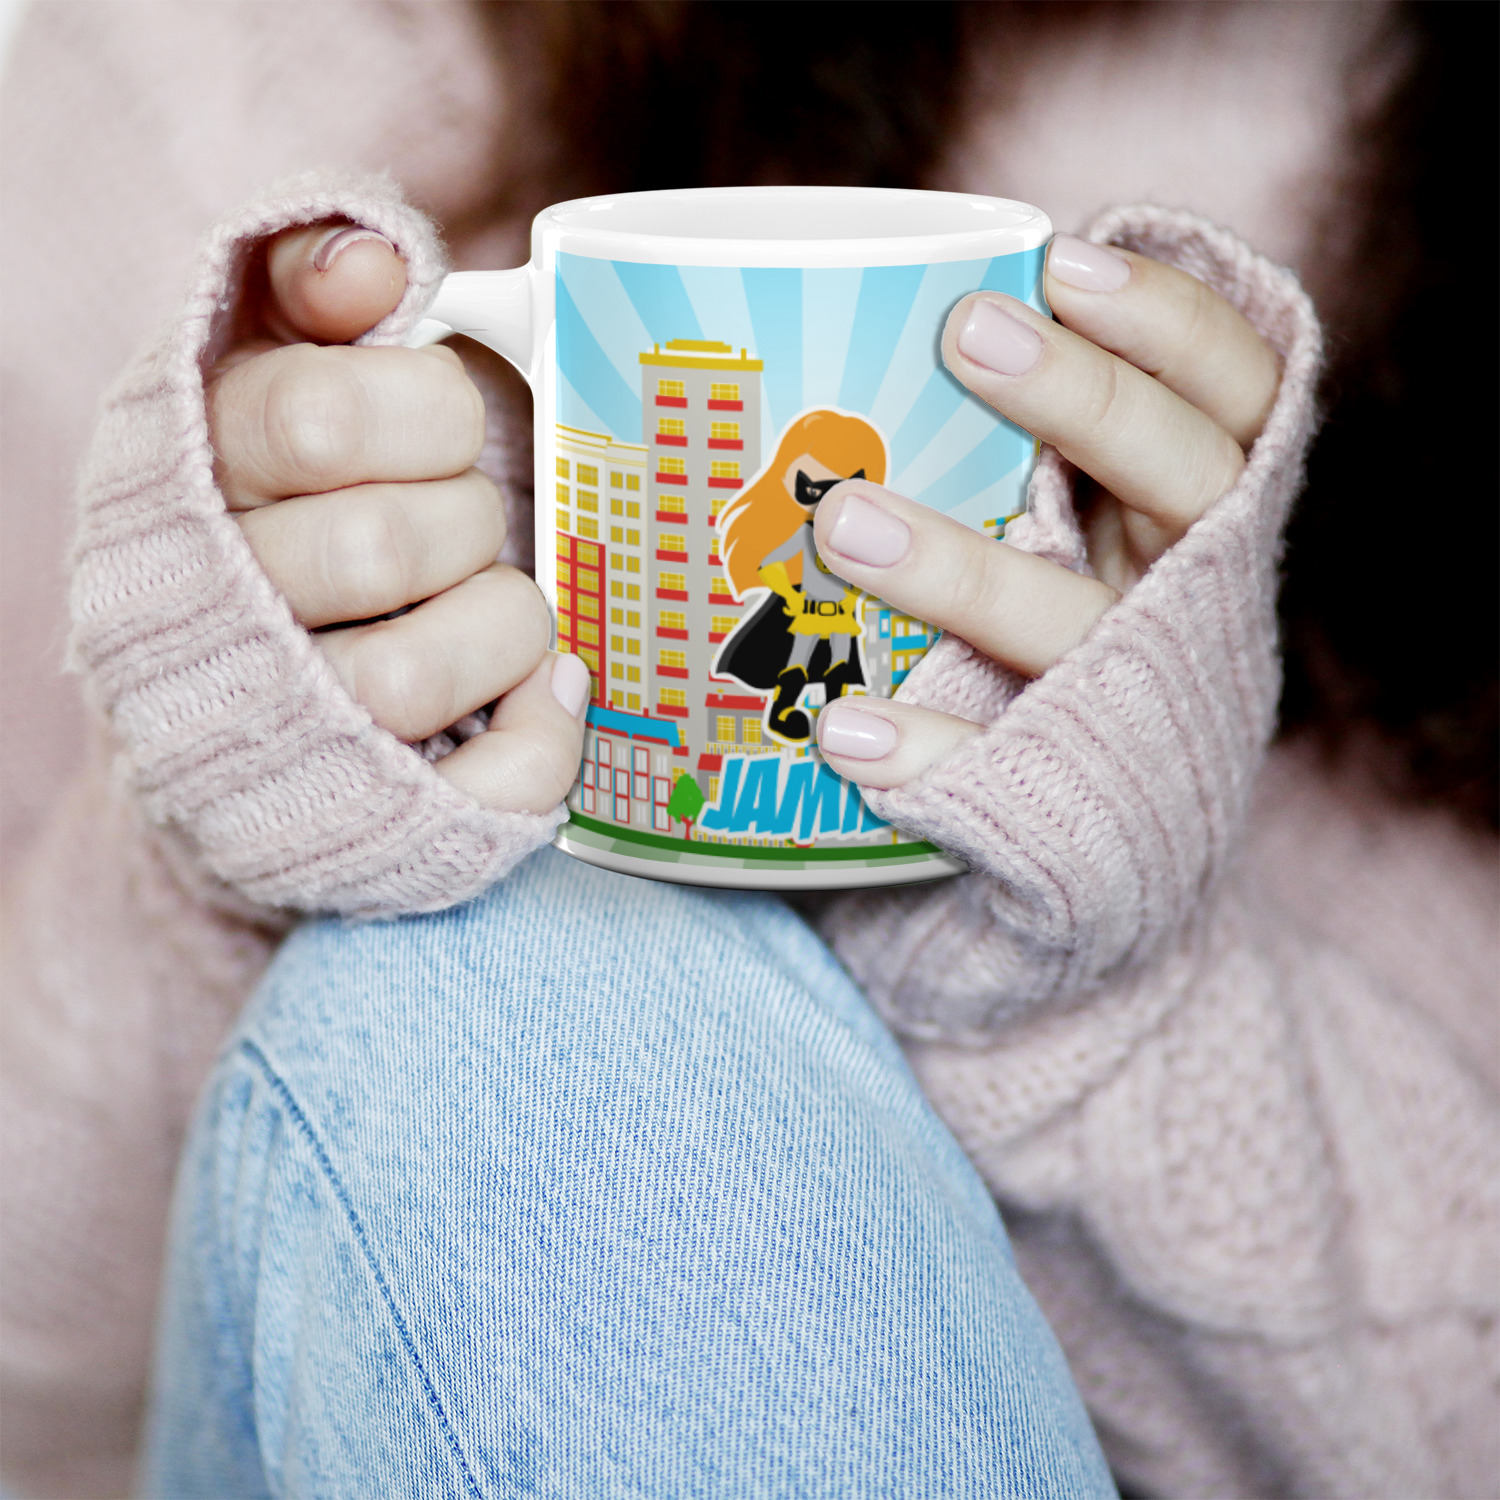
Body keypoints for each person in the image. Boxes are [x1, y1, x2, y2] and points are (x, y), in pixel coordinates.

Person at [1, 3, 1494, 1497]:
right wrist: (230, 822)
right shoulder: (219, 72)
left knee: (555, 974)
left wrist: (1098, 981)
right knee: (528, 964)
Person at [715, 409, 883, 742]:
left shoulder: (859, 532)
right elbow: (770, 564)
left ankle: (836, 720)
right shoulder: (803, 533)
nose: (825, 499)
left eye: (843, 488)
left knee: (839, 666)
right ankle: (782, 712)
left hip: (841, 615)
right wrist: (791, 595)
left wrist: (856, 594)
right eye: (811, 488)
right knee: (798, 662)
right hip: (807, 611)